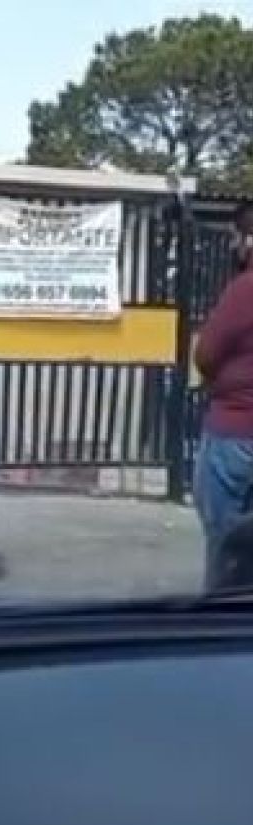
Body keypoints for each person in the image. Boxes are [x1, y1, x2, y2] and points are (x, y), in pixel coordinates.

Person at [194, 202, 253, 590]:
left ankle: (223, 628)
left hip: (236, 430)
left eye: (236, 237)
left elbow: (207, 353)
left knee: (227, 541)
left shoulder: (245, 288)